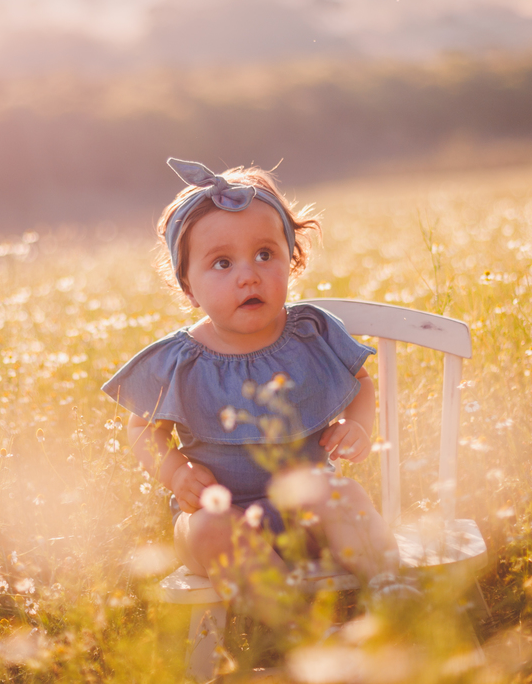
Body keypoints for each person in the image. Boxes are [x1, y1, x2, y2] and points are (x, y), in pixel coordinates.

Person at [101, 158, 408, 624]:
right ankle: (291, 620)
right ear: (188, 286)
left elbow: (361, 382)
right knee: (204, 528)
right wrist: (174, 471)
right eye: (222, 263)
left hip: (307, 510)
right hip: (225, 518)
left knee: (341, 496)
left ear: (293, 260)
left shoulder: (311, 334)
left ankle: (390, 588)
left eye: (265, 254)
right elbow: (143, 427)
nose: (249, 275)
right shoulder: (181, 360)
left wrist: (358, 424)